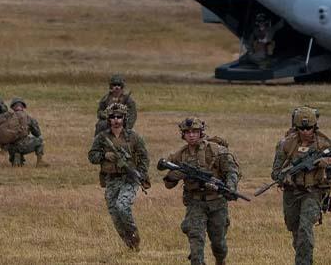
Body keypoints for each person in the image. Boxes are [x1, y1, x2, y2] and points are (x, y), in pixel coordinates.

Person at [271, 107, 331, 265]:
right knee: (295, 230)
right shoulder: (286, 144)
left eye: (309, 128)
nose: (306, 131)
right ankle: (304, 257)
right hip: (292, 193)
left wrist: (330, 161)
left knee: (305, 230)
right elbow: (275, 172)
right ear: (296, 127)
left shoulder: (324, 144)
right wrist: (284, 177)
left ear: (315, 127)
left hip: (313, 192)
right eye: (302, 128)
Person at [162, 117, 241, 265]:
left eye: (195, 131)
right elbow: (168, 183)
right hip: (195, 203)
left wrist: (230, 187)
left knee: (219, 245)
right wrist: (175, 175)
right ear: (183, 134)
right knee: (196, 241)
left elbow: (232, 170)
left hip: (217, 202)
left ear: (201, 132)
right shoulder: (179, 155)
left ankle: (220, 261)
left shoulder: (216, 150)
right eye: (188, 132)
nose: (191, 135)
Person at [88, 103, 149, 250]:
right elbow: (92, 156)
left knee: (122, 206)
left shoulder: (134, 137)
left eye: (119, 117)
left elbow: (144, 157)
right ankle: (130, 245)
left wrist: (140, 173)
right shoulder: (102, 138)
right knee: (114, 214)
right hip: (111, 179)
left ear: (124, 118)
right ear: (108, 119)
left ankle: (133, 233)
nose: (116, 120)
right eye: (112, 117)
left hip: (129, 178)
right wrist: (104, 155)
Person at [0, 98, 46, 167]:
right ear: (23, 107)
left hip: (10, 147)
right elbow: (37, 133)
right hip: (23, 145)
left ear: (13, 107)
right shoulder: (28, 118)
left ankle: (16, 157)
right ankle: (40, 162)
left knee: (17, 162)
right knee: (40, 141)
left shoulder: (6, 115)